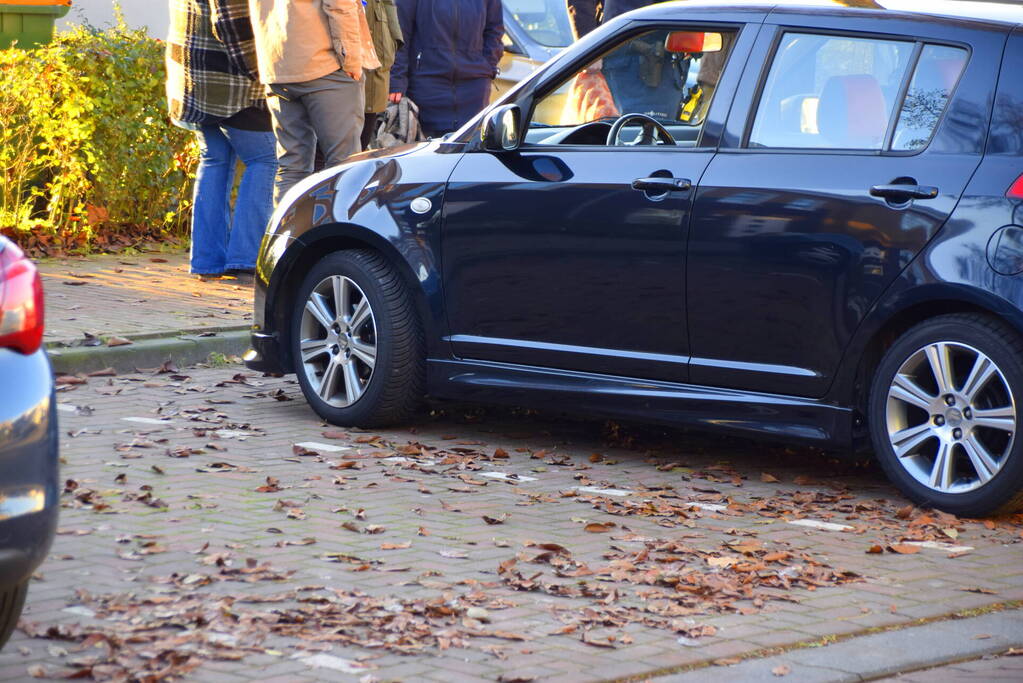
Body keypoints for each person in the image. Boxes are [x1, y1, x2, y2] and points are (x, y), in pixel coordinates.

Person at [166, 0, 277, 282]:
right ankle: (246, 260)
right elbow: (232, 25)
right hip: (230, 84)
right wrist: (266, 74)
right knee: (265, 159)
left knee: (214, 161)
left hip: (193, 76)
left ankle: (207, 261)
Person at [247, 0, 379, 203]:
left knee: (292, 166)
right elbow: (340, 5)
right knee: (344, 166)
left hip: (278, 64)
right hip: (324, 65)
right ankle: (336, 233)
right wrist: (352, 60)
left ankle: (284, 233)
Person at [388, 0, 503, 139]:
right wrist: (397, 80)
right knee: (428, 155)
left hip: (474, 91)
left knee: (471, 152)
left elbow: (495, 30)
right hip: (426, 88)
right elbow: (400, 34)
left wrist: (486, 67)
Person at [363, 0, 404, 150]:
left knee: (357, 152)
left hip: (376, 76)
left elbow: (395, 32)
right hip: (345, 81)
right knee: (331, 155)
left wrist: (391, 47)